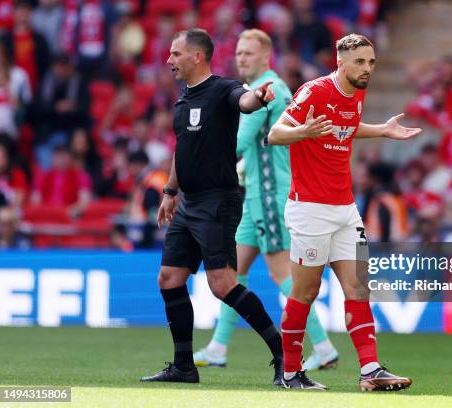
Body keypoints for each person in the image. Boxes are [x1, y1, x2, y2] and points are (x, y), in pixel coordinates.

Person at [268, 33, 421, 391]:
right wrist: (302, 131)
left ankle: (370, 371)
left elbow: (345, 129)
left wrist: (381, 131)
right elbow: (276, 134)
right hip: (310, 209)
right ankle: (290, 374)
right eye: (360, 62)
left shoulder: (358, 93)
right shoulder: (315, 91)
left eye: (371, 62)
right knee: (304, 294)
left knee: (358, 288)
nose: (367, 69)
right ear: (340, 62)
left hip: (345, 209)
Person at [140, 28, 284, 386]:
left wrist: (260, 98)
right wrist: (170, 192)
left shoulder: (222, 88)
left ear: (197, 56)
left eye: (176, 54)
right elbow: (182, 148)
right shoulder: (183, 98)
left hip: (219, 200)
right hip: (188, 203)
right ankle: (183, 367)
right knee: (170, 278)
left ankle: (284, 356)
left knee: (222, 285)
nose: (169, 60)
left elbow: (244, 101)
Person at [192, 29, 339, 371]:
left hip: (270, 197)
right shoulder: (272, 88)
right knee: (232, 273)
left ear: (266, 57)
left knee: (281, 274)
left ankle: (323, 345)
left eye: (248, 53)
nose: (241, 58)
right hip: (258, 194)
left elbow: (239, 143)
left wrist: (197, 160)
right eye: (239, 52)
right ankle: (218, 347)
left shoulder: (266, 91)